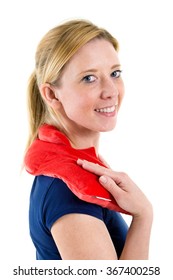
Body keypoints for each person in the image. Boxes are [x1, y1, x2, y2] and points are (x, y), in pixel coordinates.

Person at [24, 19, 153, 260]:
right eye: (89, 78)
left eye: (115, 73)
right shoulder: (69, 189)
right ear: (52, 94)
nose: (111, 91)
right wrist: (143, 216)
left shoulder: (80, 172)